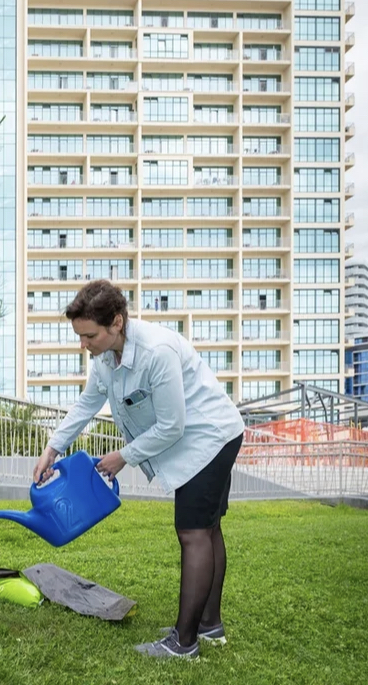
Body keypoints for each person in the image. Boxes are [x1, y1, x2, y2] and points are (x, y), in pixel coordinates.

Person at [32, 279, 245, 660]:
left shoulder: (155, 352)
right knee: (208, 530)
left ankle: (184, 642)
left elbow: (172, 426)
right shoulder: (104, 358)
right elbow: (87, 404)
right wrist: (53, 447)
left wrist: (123, 456)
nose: (83, 345)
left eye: (89, 336)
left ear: (116, 322)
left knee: (193, 533)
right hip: (195, 439)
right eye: (79, 336)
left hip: (211, 438)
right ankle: (208, 625)